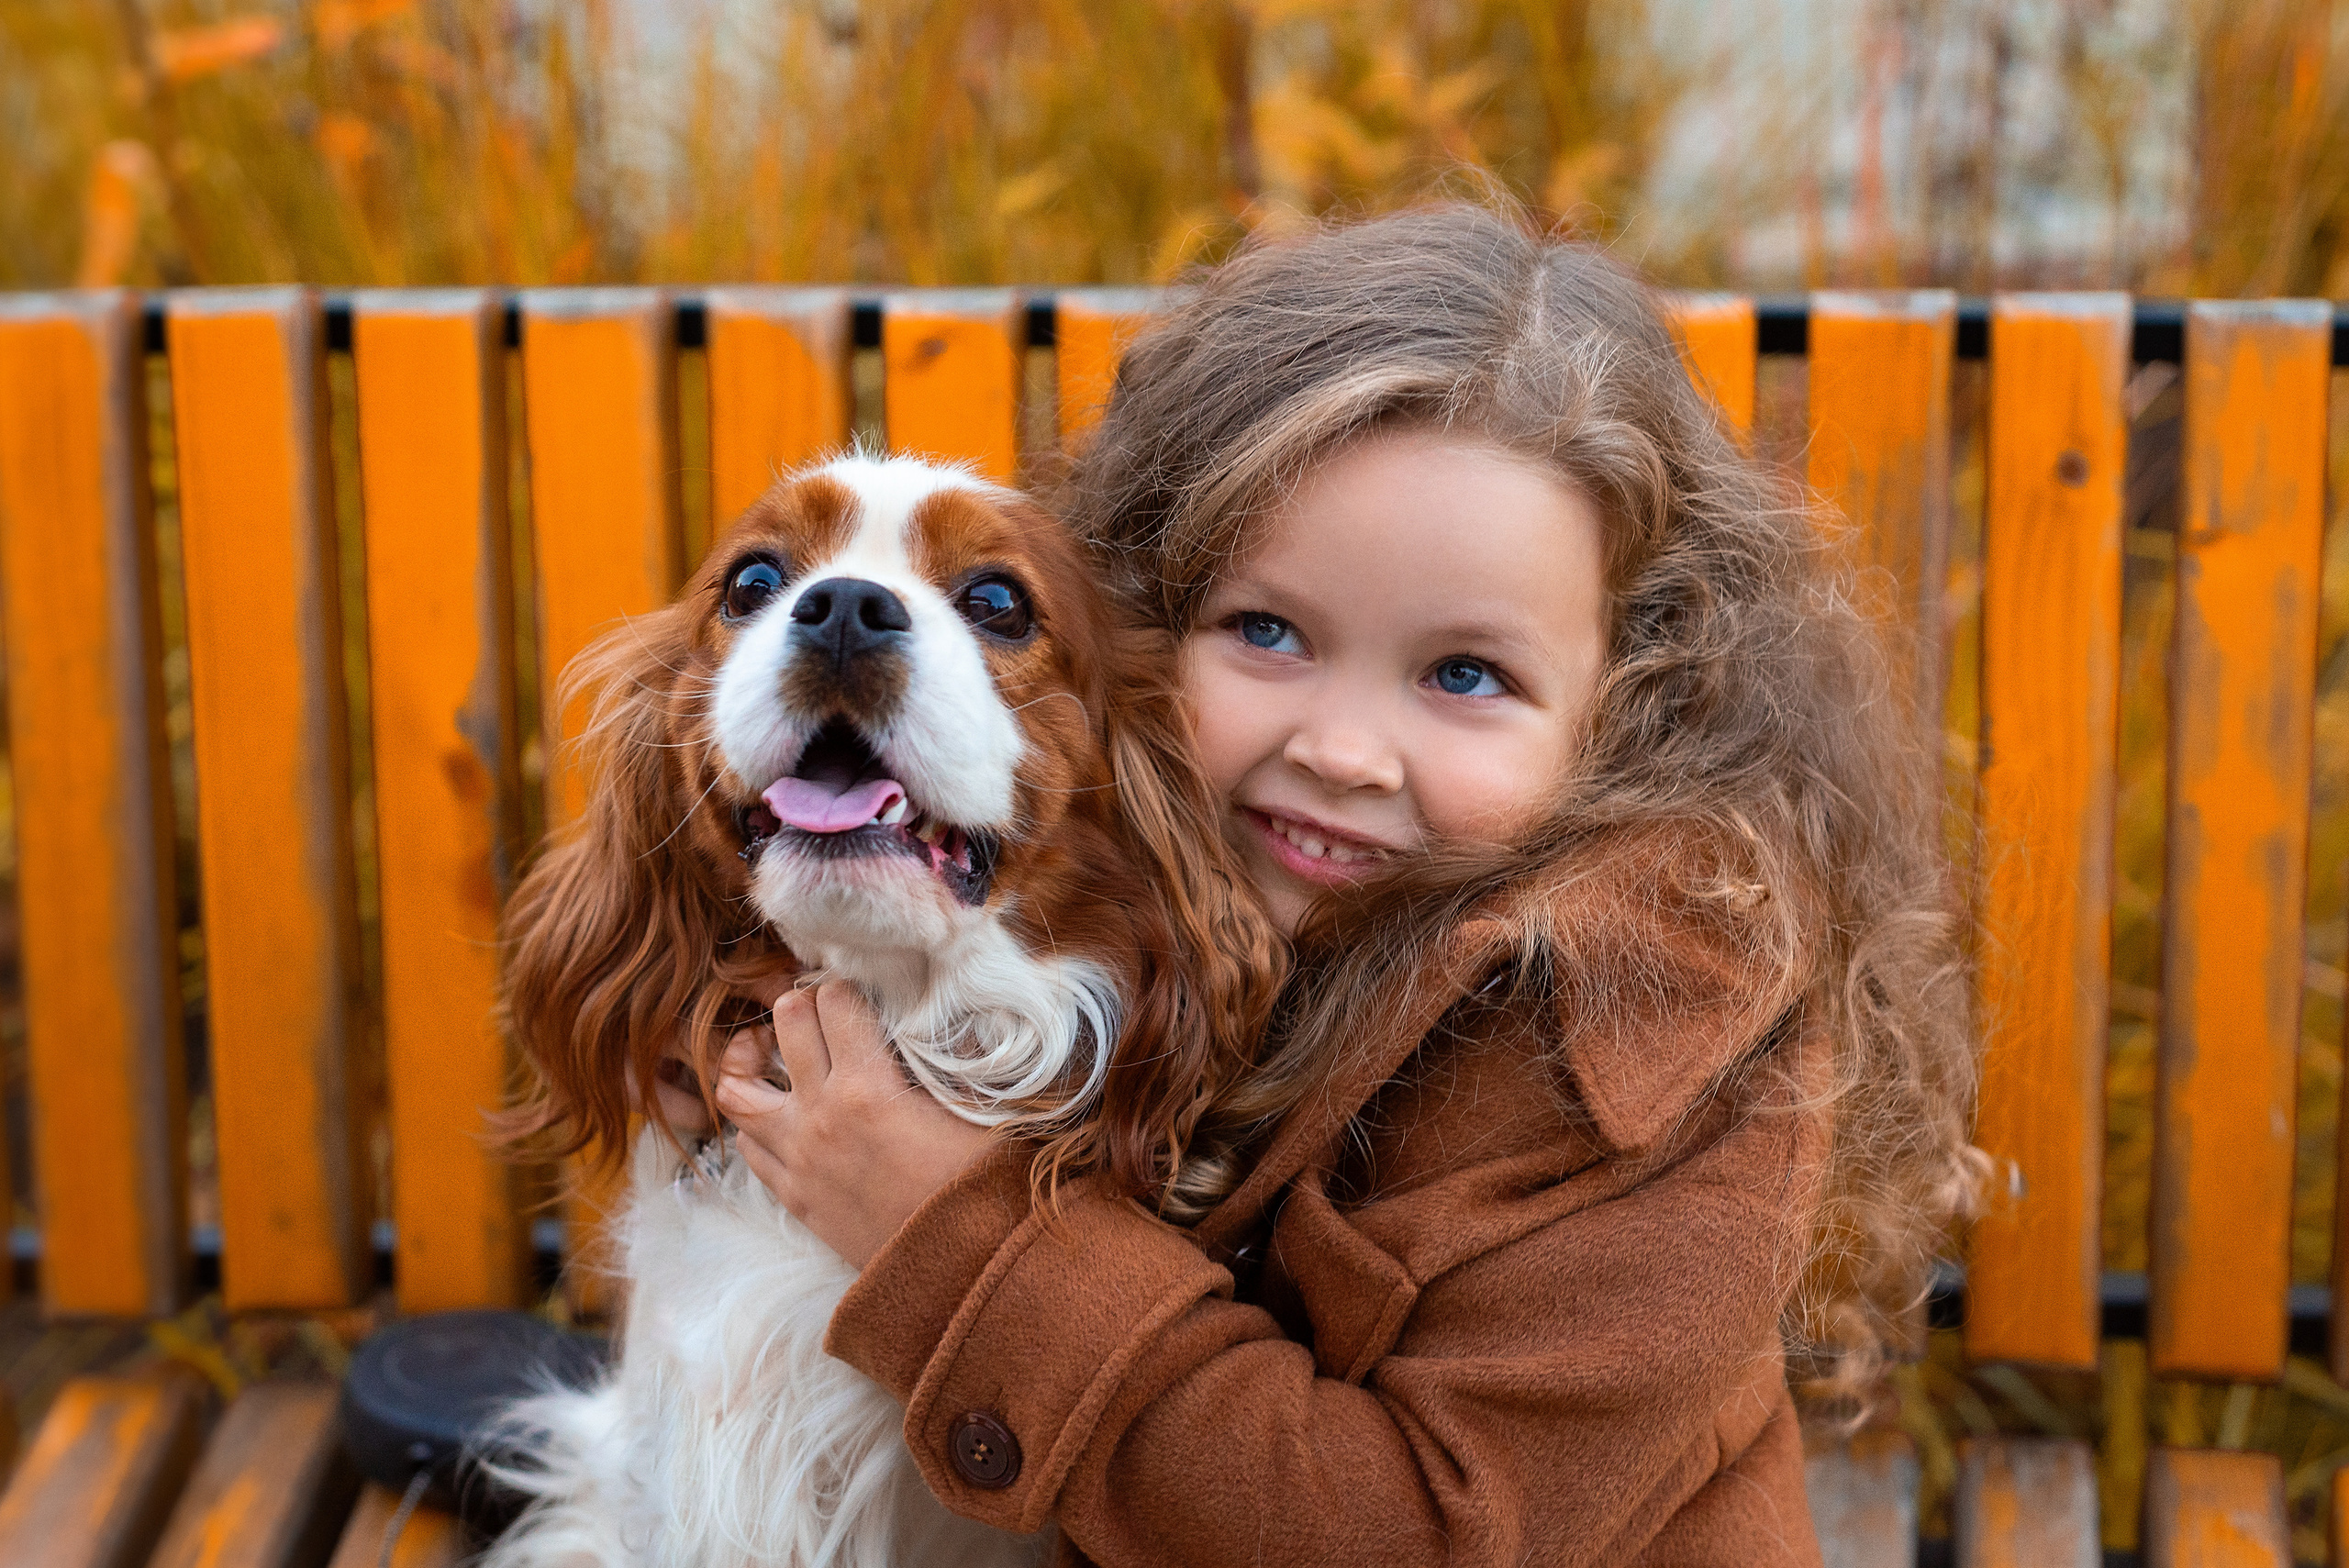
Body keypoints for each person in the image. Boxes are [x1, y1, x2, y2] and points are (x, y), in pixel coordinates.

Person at [699, 204, 1978, 1565]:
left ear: (1632, 708)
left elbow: (1413, 1534)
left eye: (1465, 674)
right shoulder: (1161, 873)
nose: (1343, 752)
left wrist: (954, 1238)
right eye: (1267, 630)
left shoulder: (1648, 1041)